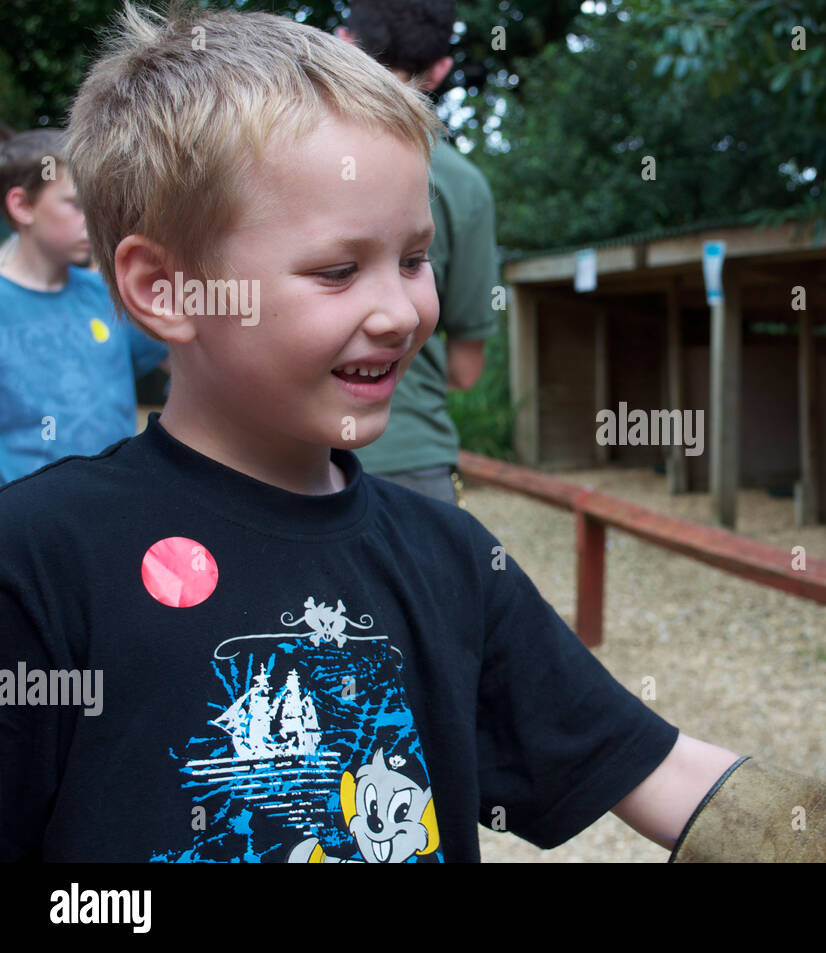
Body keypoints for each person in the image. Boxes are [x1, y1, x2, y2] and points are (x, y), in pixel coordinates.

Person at [0, 2, 738, 863]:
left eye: (416, 259)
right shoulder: (38, 558)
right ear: (166, 289)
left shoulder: (452, 557)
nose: (401, 311)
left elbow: (659, 769)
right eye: (339, 270)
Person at [339, 0, 497, 507]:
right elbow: (466, 371)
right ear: (441, 70)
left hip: (282, 455)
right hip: (412, 462)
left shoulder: (276, 158)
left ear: (343, 44)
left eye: (413, 262)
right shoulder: (463, 186)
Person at [0, 128, 168, 483]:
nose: (91, 220)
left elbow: (187, 361)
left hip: (115, 508)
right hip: (25, 525)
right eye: (76, 205)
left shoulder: (108, 295)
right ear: (22, 205)